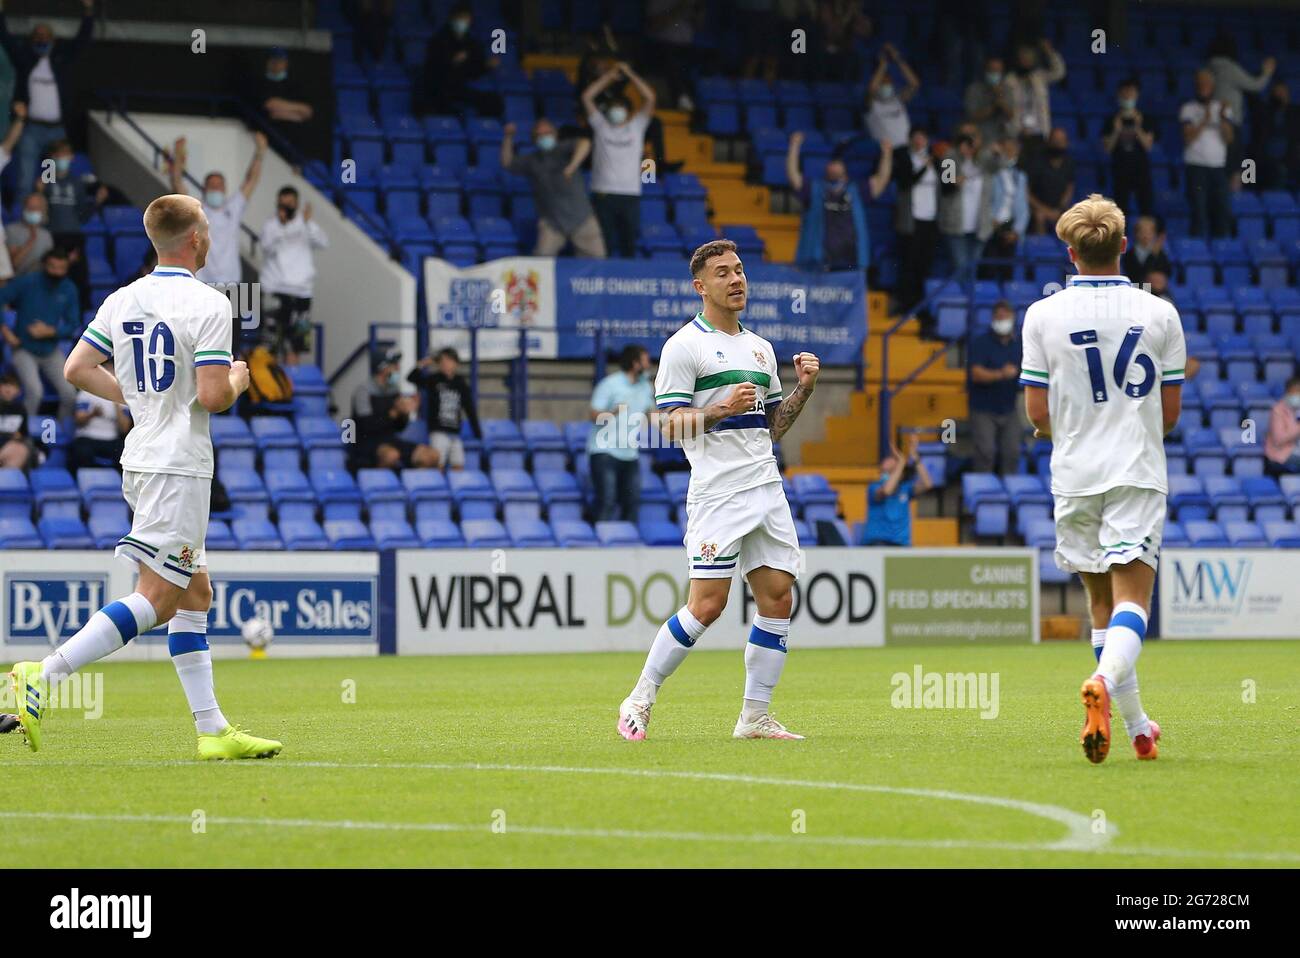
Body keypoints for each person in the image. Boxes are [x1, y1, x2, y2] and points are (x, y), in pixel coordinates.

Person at [8, 193, 282, 759]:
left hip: (143, 455)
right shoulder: (209, 304)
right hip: (178, 464)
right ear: (197, 240)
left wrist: (137, 399)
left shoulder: (123, 298)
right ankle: (46, 673)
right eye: (206, 228)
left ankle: (212, 732)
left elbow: (77, 369)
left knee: (194, 593)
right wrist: (237, 380)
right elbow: (211, 396)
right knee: (158, 599)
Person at [616, 238, 820, 742]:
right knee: (708, 605)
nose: (736, 279)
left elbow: (769, 428)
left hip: (765, 486)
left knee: (777, 597)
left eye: (740, 270)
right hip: (718, 492)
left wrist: (802, 391)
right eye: (723, 272)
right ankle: (640, 697)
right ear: (700, 286)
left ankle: (754, 717)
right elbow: (665, 426)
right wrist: (717, 410)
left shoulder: (760, 348)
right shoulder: (684, 346)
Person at [1020, 193, 1185, 765]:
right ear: (1124, 246)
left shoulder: (1041, 315)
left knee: (1100, 604)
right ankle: (1104, 686)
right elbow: (1169, 414)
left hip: (1075, 473)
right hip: (1135, 469)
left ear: (1070, 252)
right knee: (1133, 601)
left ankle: (1138, 728)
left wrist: (1060, 429)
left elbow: (1037, 414)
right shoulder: (1161, 313)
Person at [0, 0, 94, 199]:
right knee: (25, 177)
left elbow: (81, 41)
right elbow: (5, 38)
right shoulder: (25, 60)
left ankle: (46, 214)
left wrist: (88, 12)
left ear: (53, 39)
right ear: (31, 39)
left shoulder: (60, 60)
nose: (42, 39)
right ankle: (21, 215)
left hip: (55, 132)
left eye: (45, 35)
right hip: (32, 131)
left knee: (50, 178)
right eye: (38, 35)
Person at [168, 131, 267, 286]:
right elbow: (177, 183)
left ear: (225, 189)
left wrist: (260, 152)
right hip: (202, 283)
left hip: (231, 283)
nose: (215, 188)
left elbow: (251, 179)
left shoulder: (234, 207)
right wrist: (178, 156)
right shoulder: (196, 210)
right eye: (212, 186)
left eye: (219, 185)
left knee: (238, 310)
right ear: (204, 189)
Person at [788, 131, 891, 272]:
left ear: (845, 168)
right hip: (819, 260)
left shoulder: (857, 190)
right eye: (831, 163)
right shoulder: (814, 188)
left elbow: (881, 180)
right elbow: (794, 176)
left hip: (851, 259)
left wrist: (887, 153)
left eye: (837, 163)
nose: (833, 165)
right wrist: (794, 146)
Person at [582, 61, 654, 259]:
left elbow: (649, 97)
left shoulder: (637, 127)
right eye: (613, 108)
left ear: (627, 111)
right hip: (603, 193)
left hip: (630, 195)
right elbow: (587, 97)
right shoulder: (601, 126)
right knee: (604, 243)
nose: (617, 111)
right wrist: (609, 77)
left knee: (628, 243)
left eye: (620, 107)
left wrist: (629, 73)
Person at [502, 119, 604, 257]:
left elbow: (585, 143)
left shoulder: (565, 148)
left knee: (597, 261)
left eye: (548, 133)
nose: (545, 136)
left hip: (582, 218)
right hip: (551, 222)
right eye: (540, 135)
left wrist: (572, 166)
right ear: (534, 138)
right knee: (542, 260)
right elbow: (507, 162)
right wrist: (508, 137)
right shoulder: (532, 160)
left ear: (555, 134)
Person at [0, 247, 79, 417]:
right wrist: (5, 330)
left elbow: (74, 324)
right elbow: (1, 297)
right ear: (44, 265)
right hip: (23, 348)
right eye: (53, 267)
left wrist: (52, 331)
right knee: (35, 392)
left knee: (69, 393)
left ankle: (64, 433)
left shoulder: (68, 288)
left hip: (50, 350)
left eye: (61, 268)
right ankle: (24, 436)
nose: (57, 272)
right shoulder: (28, 282)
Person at [258, 186, 327, 362]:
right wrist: (284, 227)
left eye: (290, 204)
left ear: (296, 204)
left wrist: (307, 223)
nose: (286, 208)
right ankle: (271, 387)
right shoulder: (270, 225)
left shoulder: (305, 223)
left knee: (295, 344)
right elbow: (266, 248)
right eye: (283, 204)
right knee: (271, 343)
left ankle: (291, 385)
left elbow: (323, 242)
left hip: (302, 292)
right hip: (277, 290)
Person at [37, 138, 108, 308]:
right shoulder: (48, 179)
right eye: (59, 154)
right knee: (52, 276)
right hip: (53, 234)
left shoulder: (76, 182)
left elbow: (82, 216)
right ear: (52, 157)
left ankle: (82, 313)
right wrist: (41, 188)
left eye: (66, 154)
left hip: (73, 235)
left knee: (79, 276)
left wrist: (97, 202)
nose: (63, 158)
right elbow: (42, 204)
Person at [587, 343, 653, 522]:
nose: (649, 364)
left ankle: (628, 545)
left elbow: (653, 415)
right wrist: (614, 412)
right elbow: (594, 415)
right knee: (607, 501)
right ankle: (600, 546)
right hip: (605, 452)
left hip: (630, 454)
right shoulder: (610, 384)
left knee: (632, 502)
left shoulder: (646, 386)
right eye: (645, 360)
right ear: (635, 363)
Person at [351, 347, 440, 470]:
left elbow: (399, 428)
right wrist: (393, 413)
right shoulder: (363, 391)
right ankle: (378, 486)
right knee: (391, 455)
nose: (398, 368)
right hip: (366, 443)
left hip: (390, 440)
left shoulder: (394, 390)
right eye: (394, 365)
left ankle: (413, 488)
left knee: (431, 455)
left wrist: (405, 413)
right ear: (382, 369)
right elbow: (366, 426)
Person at [416, 4, 501, 117]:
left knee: (493, 101)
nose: (463, 22)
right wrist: (452, 61)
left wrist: (486, 66)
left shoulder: (470, 42)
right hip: (438, 86)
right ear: (452, 18)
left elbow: (474, 70)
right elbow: (432, 68)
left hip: (459, 87)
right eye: (460, 18)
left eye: (467, 18)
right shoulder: (439, 40)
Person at [968, 300, 1023, 475]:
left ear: (1013, 318)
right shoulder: (981, 343)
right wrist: (1001, 374)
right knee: (986, 452)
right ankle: (983, 495)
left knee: (1013, 452)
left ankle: (1010, 494)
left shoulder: (1019, 345)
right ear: (992, 319)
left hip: (1009, 407)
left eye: (1006, 317)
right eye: (999, 317)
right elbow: (976, 373)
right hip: (983, 408)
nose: (1003, 321)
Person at [406, 347, 481, 470]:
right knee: (438, 462)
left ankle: (458, 488)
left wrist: (478, 434)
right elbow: (411, 378)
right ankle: (438, 488)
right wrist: (422, 364)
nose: (445, 364)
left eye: (449, 360)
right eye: (442, 361)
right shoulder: (434, 379)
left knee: (458, 464)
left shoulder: (460, 382)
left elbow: (469, 408)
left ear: (456, 363)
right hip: (438, 431)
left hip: (454, 432)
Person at [893, 127, 942, 315]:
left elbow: (949, 185)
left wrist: (948, 161)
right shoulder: (904, 159)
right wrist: (924, 167)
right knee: (909, 264)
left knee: (925, 264)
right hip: (911, 220)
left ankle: (921, 308)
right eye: (917, 138)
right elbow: (906, 182)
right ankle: (906, 305)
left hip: (931, 220)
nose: (920, 141)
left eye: (924, 137)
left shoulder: (938, 160)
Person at [1180, 69, 1234, 239]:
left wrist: (1223, 117)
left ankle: (1221, 251)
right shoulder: (1188, 108)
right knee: (1199, 210)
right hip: (1196, 167)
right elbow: (1187, 137)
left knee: (1221, 210)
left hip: (1218, 167)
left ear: (1213, 86)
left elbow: (1229, 138)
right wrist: (1204, 119)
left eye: (1207, 83)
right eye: (1200, 83)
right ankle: (1198, 249)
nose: (1203, 87)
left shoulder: (1222, 108)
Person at [859, 434, 932, 546]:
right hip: (878, 543)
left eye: (894, 460)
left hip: (901, 545)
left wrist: (914, 456)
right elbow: (887, 491)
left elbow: (927, 484)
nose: (890, 459)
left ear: (901, 474)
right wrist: (901, 462)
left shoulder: (906, 488)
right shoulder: (874, 487)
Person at [1004, 38, 1065, 163]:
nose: (1026, 61)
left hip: (1039, 133)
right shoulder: (1009, 81)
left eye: (1029, 58)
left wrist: (1049, 52)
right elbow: (1006, 107)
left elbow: (1059, 72)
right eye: (1023, 58)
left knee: (1037, 169)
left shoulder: (1039, 77)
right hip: (1018, 134)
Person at [247, 47, 316, 158]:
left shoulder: (294, 86)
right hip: (269, 141)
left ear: (286, 63)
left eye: (280, 60)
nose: (276, 64)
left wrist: (284, 109)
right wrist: (296, 113)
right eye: (273, 60)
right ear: (268, 63)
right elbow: (271, 107)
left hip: (292, 144)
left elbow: (307, 111)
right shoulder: (260, 84)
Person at [1101, 78, 1156, 216]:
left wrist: (1138, 127)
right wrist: (1116, 130)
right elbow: (1107, 148)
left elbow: (1148, 145)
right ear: (1119, 95)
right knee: (1120, 212)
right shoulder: (1111, 119)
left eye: (1131, 93)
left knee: (1146, 209)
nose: (1128, 96)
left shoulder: (1145, 118)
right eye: (1125, 93)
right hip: (1120, 170)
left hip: (1141, 170)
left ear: (1137, 95)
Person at [980, 135, 1030, 280]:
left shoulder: (1020, 176)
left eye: (1013, 149)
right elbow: (984, 200)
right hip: (991, 226)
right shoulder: (990, 174)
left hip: (1010, 227)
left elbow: (1023, 207)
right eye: (1006, 148)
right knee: (988, 271)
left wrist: (1017, 230)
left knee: (1007, 272)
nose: (1010, 152)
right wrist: (990, 219)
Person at [864, 43, 918, 148]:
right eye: (882, 83)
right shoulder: (870, 104)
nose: (886, 85)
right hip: (885, 151)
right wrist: (883, 65)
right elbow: (872, 89)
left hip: (906, 149)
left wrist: (897, 59)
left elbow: (914, 84)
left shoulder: (898, 99)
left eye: (888, 82)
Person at [1253, 79, 1300, 191]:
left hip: (1291, 154)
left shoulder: (1296, 112)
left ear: (1288, 93)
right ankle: (1277, 204)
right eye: (1277, 92)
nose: (1280, 95)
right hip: (1269, 156)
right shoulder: (1265, 111)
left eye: (1283, 92)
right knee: (1278, 171)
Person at [69, 387, 130, 473]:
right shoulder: (86, 394)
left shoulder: (121, 397)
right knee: (82, 453)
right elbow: (79, 420)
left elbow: (124, 428)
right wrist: (92, 414)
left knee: (126, 455)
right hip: (88, 437)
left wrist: (116, 405)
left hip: (111, 439)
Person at [1027, 126, 1075, 234]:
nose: (1058, 143)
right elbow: (1026, 193)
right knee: (1040, 217)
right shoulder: (1037, 162)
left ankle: (1065, 250)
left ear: (1066, 143)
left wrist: (1061, 207)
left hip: (1058, 207)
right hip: (1037, 207)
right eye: (1055, 140)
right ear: (1049, 142)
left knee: (1074, 219)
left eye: (1061, 141)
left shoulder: (1069, 162)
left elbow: (1070, 187)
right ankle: (1040, 248)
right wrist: (1045, 210)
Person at [965, 56, 1013, 149]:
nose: (995, 73)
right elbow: (972, 116)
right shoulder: (974, 89)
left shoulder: (1007, 89)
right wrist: (993, 105)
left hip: (1002, 137)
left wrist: (1000, 100)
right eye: (992, 70)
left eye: (998, 71)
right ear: (985, 71)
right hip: (981, 137)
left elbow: (1011, 115)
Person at [5, 191, 52, 275]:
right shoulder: (11, 230)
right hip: (16, 280)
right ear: (24, 209)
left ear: (43, 211)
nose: (32, 211)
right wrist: (31, 240)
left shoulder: (46, 235)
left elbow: (49, 265)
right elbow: (13, 264)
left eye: (36, 208)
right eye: (29, 207)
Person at [1122, 216, 1171, 287]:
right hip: (1136, 288)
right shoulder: (1129, 255)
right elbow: (1137, 275)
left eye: (1149, 232)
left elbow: (1167, 273)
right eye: (1142, 232)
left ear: (1154, 234)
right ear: (1136, 233)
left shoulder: (1161, 253)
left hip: (1157, 291)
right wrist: (1152, 256)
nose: (1146, 235)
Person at [0, 371, 35, 468]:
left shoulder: (21, 409)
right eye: (5, 384)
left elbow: (24, 433)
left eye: (12, 385)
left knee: (22, 449)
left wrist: (20, 437)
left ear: (18, 391)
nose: (8, 389)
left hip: (10, 447)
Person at [1265, 376, 1300, 473]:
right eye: (1295, 392)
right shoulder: (1278, 410)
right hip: (1282, 453)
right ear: (1288, 392)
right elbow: (1279, 439)